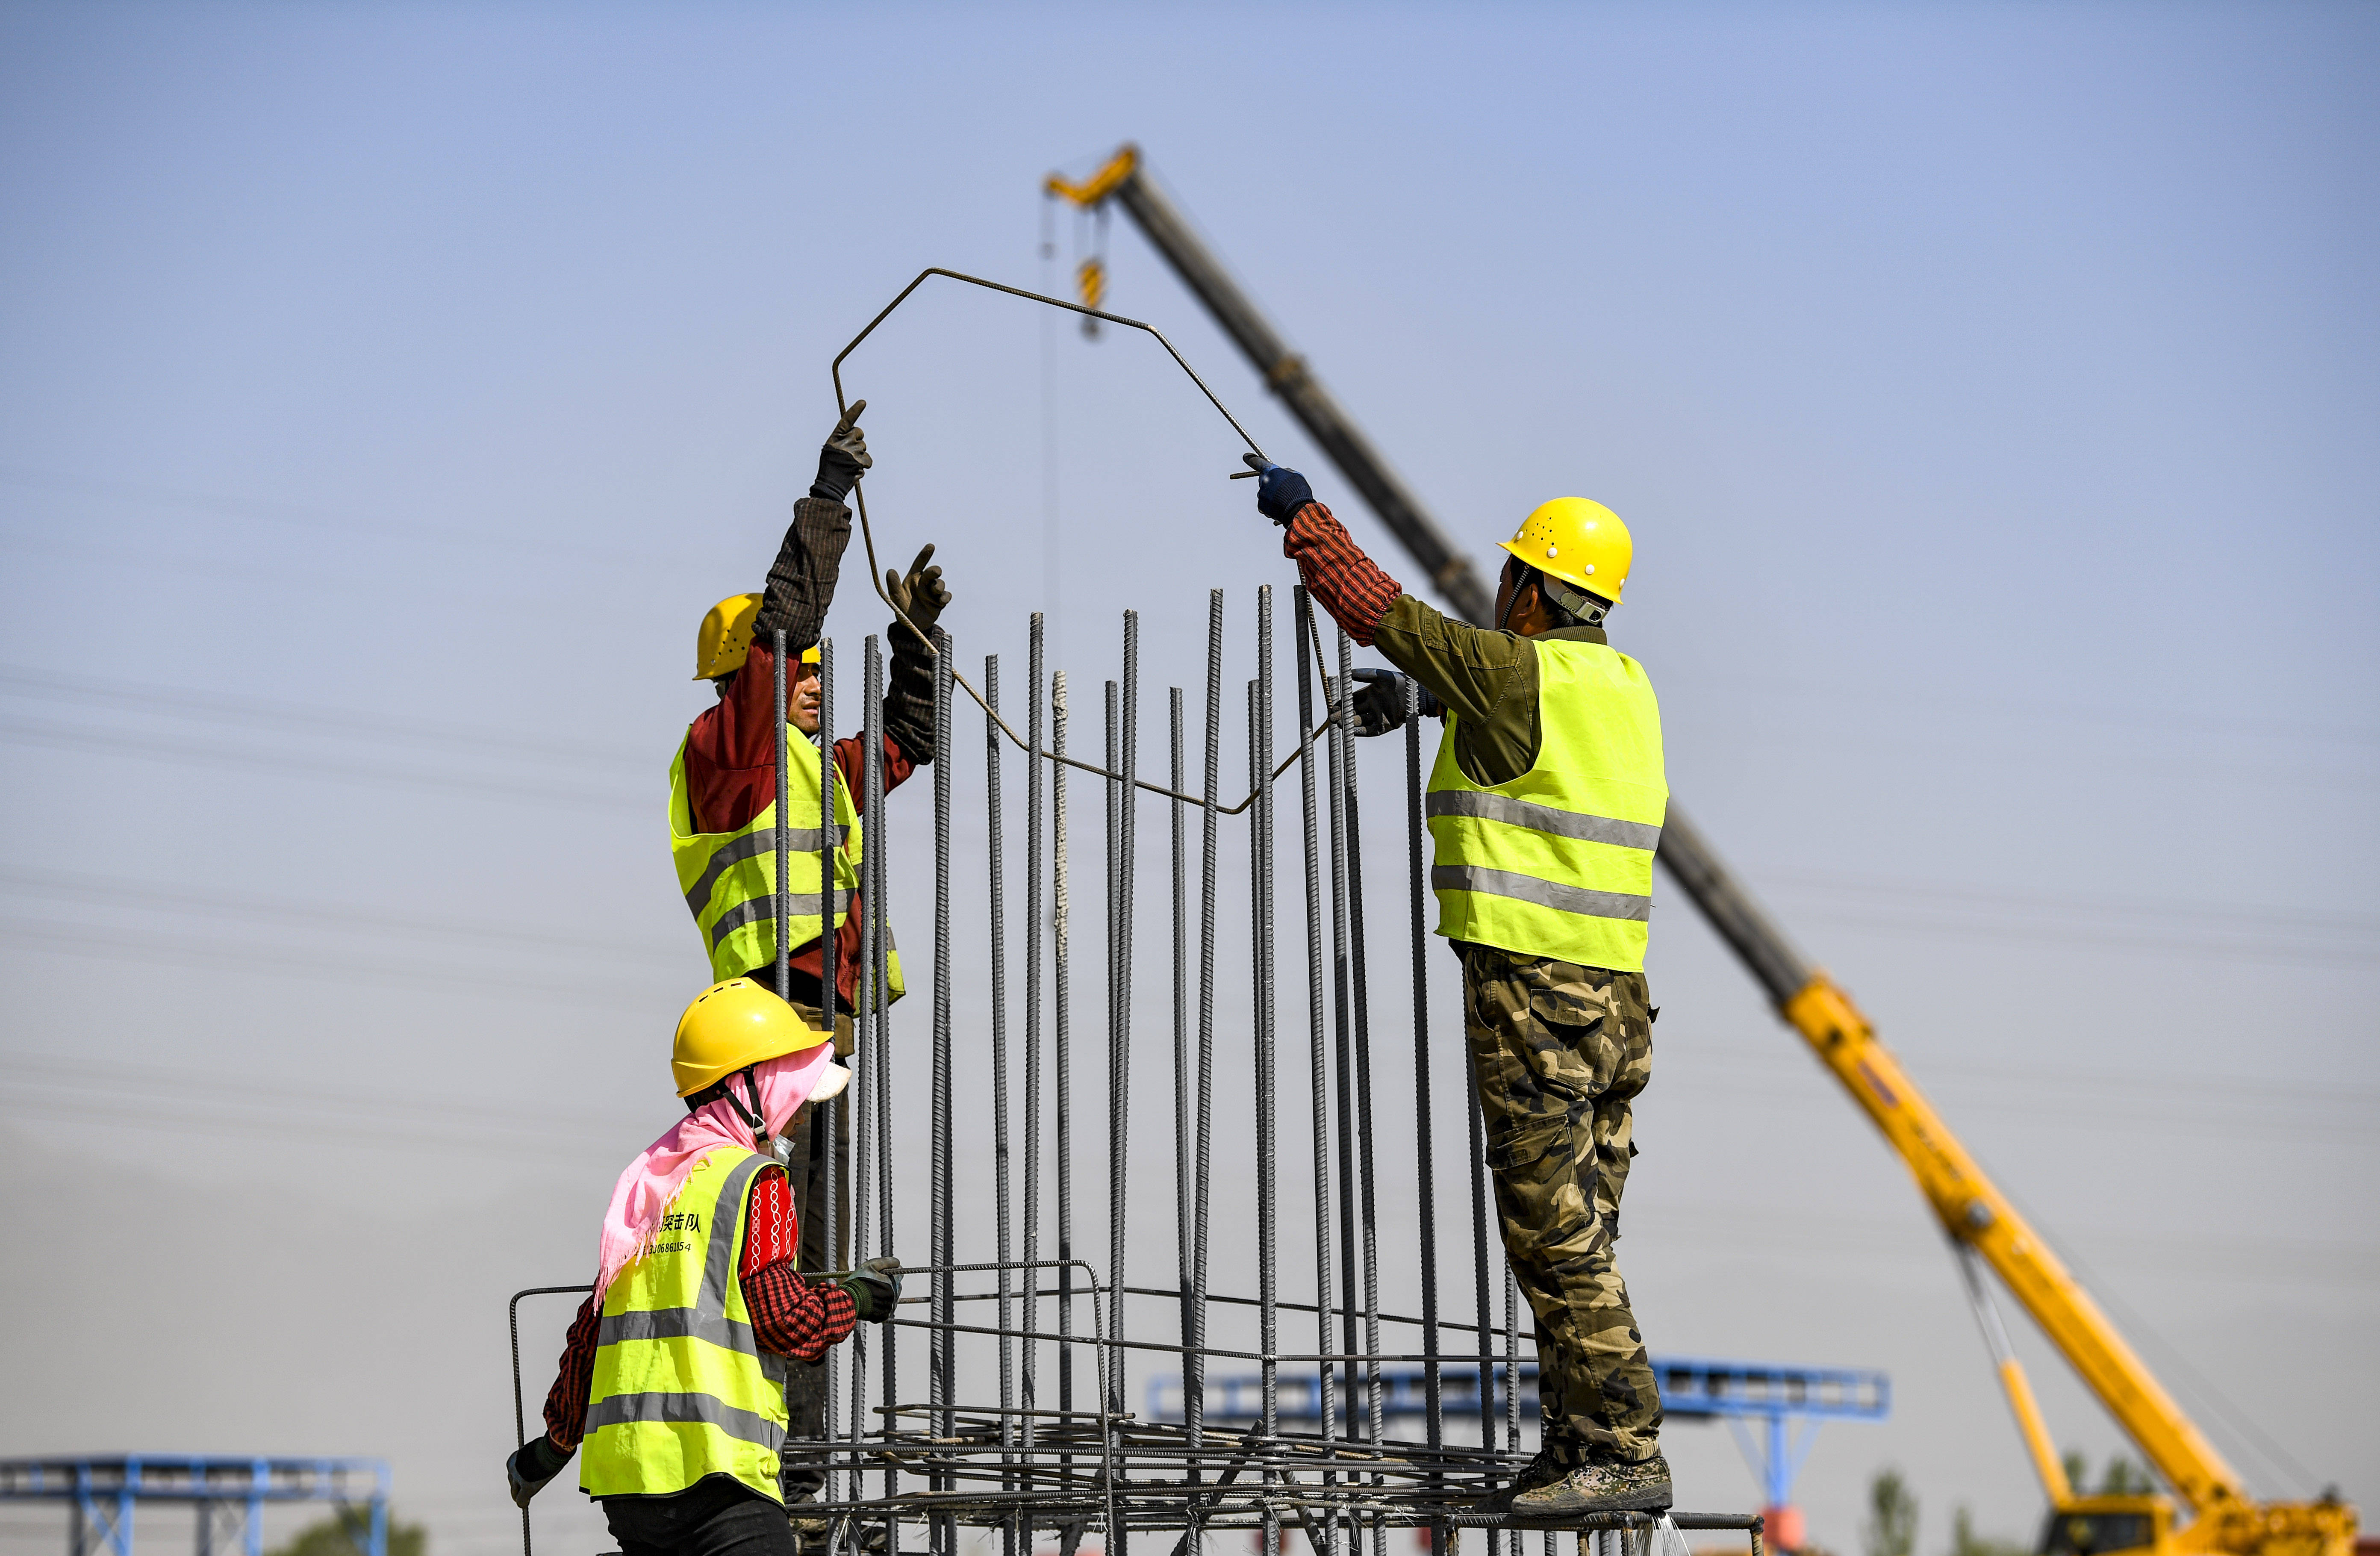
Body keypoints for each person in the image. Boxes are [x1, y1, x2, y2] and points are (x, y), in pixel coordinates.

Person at [1248, 457, 1671, 1516]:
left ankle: (1625, 1447)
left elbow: (1378, 608)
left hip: (1538, 999)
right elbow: (1510, 714)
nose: (1499, 594)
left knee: (1552, 1237)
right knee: (1580, 1237)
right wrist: (1426, 701)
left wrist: (1304, 518)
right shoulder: (1620, 685)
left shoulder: (1515, 671)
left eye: (1510, 577)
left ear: (1532, 590)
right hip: (1617, 1007)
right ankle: (1579, 1444)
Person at [669, 401, 950, 1513]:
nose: (816, 677)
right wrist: (829, 496)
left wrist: (921, 647)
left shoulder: (814, 764)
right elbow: (782, 627)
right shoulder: (728, 752)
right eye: (798, 669)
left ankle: (810, 1463)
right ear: (748, 678)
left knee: (815, 1236)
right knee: (773, 1231)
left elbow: (908, 743)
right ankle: (777, 1456)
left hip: (815, 1021)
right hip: (763, 1018)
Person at [505, 979, 903, 1556]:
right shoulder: (757, 1183)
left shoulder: (646, 1186)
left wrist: (552, 1449)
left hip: (631, 1493)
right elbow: (783, 1323)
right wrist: (858, 1300)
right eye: (791, 1098)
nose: (794, 1122)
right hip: (722, 1485)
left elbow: (592, 1338)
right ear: (749, 1088)